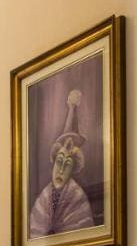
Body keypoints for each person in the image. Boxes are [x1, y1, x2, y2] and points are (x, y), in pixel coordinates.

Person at [29, 89, 95, 238]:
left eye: (67, 164)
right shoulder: (43, 198)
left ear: (73, 169)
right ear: (53, 162)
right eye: (59, 162)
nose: (61, 170)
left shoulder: (77, 197)